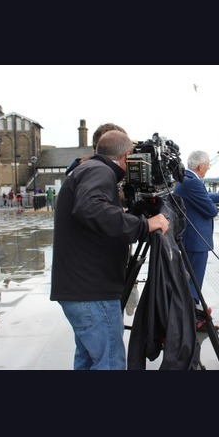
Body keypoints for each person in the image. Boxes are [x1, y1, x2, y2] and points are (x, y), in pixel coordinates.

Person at [50, 129, 170, 370]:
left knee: (88, 360)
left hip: (81, 289)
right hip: (92, 292)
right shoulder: (99, 171)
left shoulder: (87, 169)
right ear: (126, 156)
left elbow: (92, 211)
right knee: (110, 363)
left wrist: (127, 214)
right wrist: (145, 225)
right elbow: (91, 208)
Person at [173, 150, 219, 332]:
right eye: (208, 165)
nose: (208, 168)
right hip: (196, 240)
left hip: (189, 238)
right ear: (201, 166)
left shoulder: (187, 179)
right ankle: (193, 319)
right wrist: (215, 203)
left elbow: (201, 197)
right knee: (194, 281)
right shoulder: (194, 183)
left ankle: (191, 314)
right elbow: (211, 210)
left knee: (190, 279)